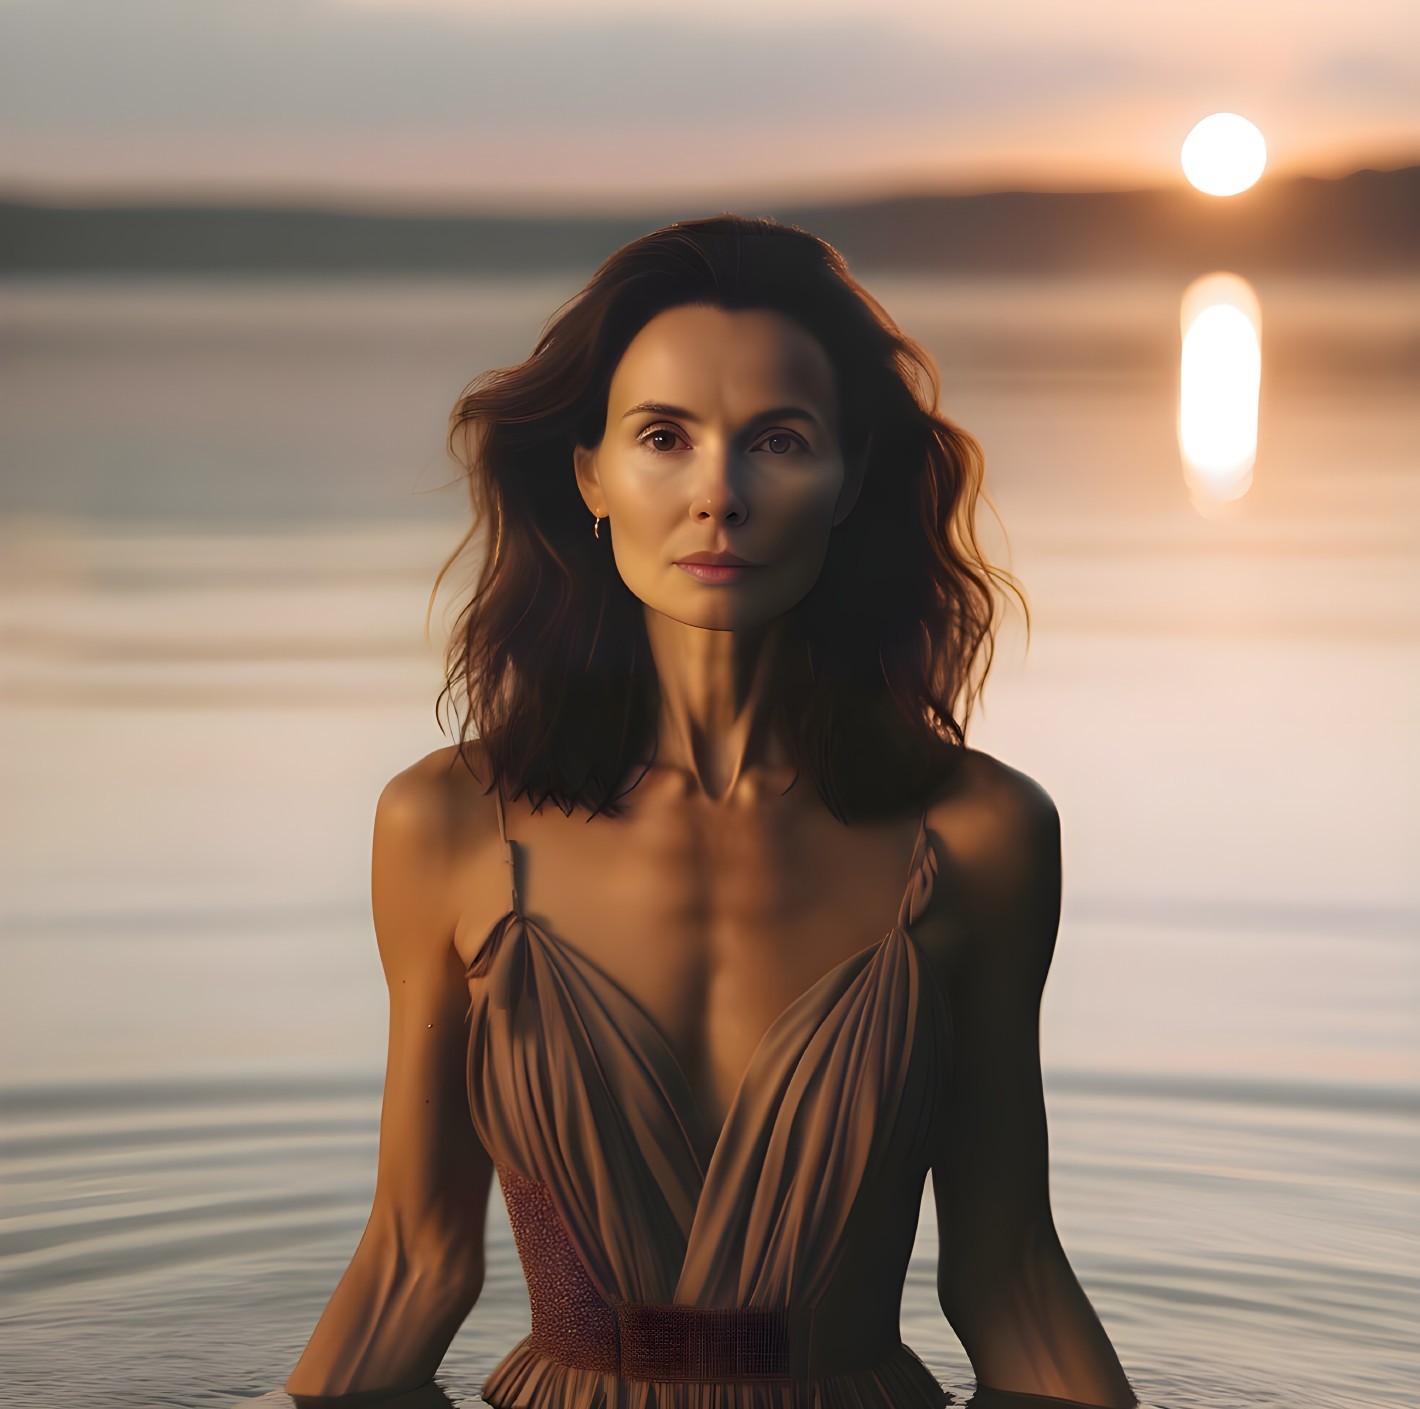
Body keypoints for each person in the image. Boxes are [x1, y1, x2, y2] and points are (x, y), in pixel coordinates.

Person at [282, 215, 1140, 1409]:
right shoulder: (449, 827)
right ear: (589, 473)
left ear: (848, 484)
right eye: (664, 438)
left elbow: (1009, 1280)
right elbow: (413, 1266)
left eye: (777, 441)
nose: (719, 497)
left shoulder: (980, 839)